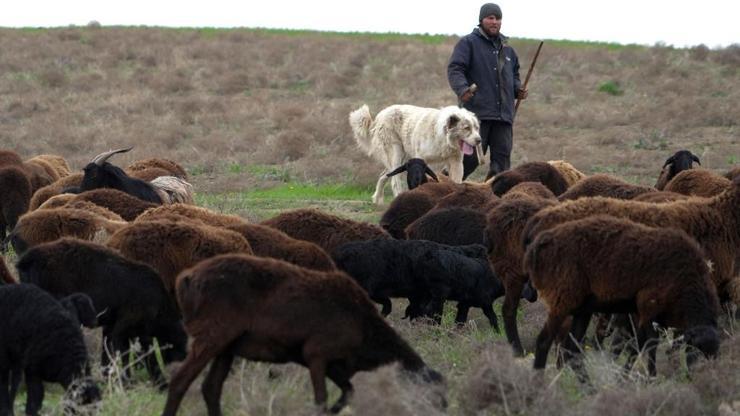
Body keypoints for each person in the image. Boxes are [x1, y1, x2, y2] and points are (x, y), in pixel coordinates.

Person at [448, 3, 528, 180]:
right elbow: (455, 69)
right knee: (469, 160)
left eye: (498, 18)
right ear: (481, 20)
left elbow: (513, 76)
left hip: (504, 117)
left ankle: (494, 201)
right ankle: (442, 189)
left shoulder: (508, 51)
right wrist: (462, 89)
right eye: (490, 18)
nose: (495, 22)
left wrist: (518, 89)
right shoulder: (468, 43)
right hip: (476, 117)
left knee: (502, 166)